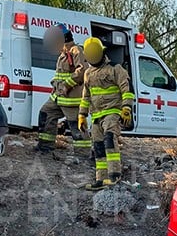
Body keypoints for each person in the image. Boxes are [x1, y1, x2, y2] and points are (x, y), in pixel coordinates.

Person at [78, 36, 133, 190]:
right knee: (98, 147)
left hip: (112, 112)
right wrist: (82, 115)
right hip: (96, 116)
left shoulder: (115, 68)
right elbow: (85, 96)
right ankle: (100, 179)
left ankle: (115, 175)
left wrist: (126, 108)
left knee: (109, 139)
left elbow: (126, 89)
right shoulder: (88, 73)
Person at [35, 24, 88, 152]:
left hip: (71, 100)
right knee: (46, 113)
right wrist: (56, 84)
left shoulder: (76, 50)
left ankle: (84, 153)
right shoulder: (63, 54)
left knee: (76, 127)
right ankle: (45, 147)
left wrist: (67, 84)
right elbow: (61, 75)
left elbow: (82, 70)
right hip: (58, 97)